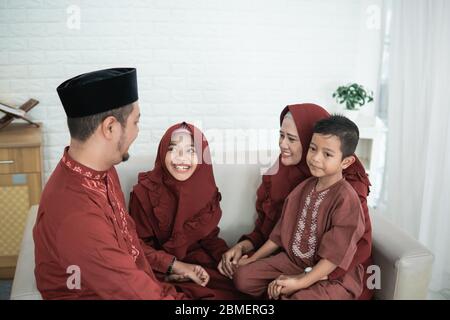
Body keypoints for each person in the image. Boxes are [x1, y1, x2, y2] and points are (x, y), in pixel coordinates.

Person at [33, 68, 184, 300]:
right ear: (110, 127)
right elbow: (132, 292)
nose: (137, 131)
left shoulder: (102, 171)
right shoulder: (76, 215)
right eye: (135, 122)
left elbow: (125, 241)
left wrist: (170, 264)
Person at [218, 103, 373, 300]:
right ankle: (286, 287)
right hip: (293, 261)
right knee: (242, 277)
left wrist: (301, 281)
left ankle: (293, 289)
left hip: (333, 273)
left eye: (291, 138)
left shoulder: (347, 195)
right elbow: (276, 232)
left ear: (345, 161)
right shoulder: (303, 186)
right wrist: (250, 257)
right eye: (281, 135)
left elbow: (338, 254)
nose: (283, 144)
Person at [129, 122, 247, 299]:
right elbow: (135, 245)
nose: (181, 157)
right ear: (162, 152)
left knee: (241, 287)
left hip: (199, 265)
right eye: (173, 148)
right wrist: (174, 266)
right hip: (156, 269)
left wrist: (226, 258)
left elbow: (208, 237)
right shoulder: (145, 192)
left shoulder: (206, 190)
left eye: (191, 151)